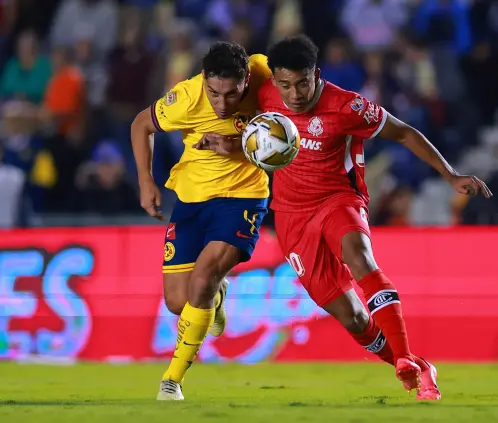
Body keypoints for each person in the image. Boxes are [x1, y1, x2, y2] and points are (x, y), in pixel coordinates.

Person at [196, 35, 493, 401]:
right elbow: (246, 125)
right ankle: (417, 364)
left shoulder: (347, 107)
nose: (294, 94)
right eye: (285, 85)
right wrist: (228, 145)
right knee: (352, 317)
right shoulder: (265, 95)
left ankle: (402, 357)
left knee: (360, 257)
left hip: (339, 199)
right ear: (274, 81)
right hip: (291, 216)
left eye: (302, 83)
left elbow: (404, 133)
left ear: (316, 75)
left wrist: (451, 175)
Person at [130, 42, 271, 400]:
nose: (223, 104)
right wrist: (146, 181)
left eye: (232, 94)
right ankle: (217, 297)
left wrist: (238, 146)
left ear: (246, 80)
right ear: (204, 79)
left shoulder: (264, 74)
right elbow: (140, 125)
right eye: (215, 93)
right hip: (192, 200)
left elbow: (288, 131)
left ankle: (172, 380)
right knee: (179, 302)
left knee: (204, 276)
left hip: (243, 195)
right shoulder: (186, 97)